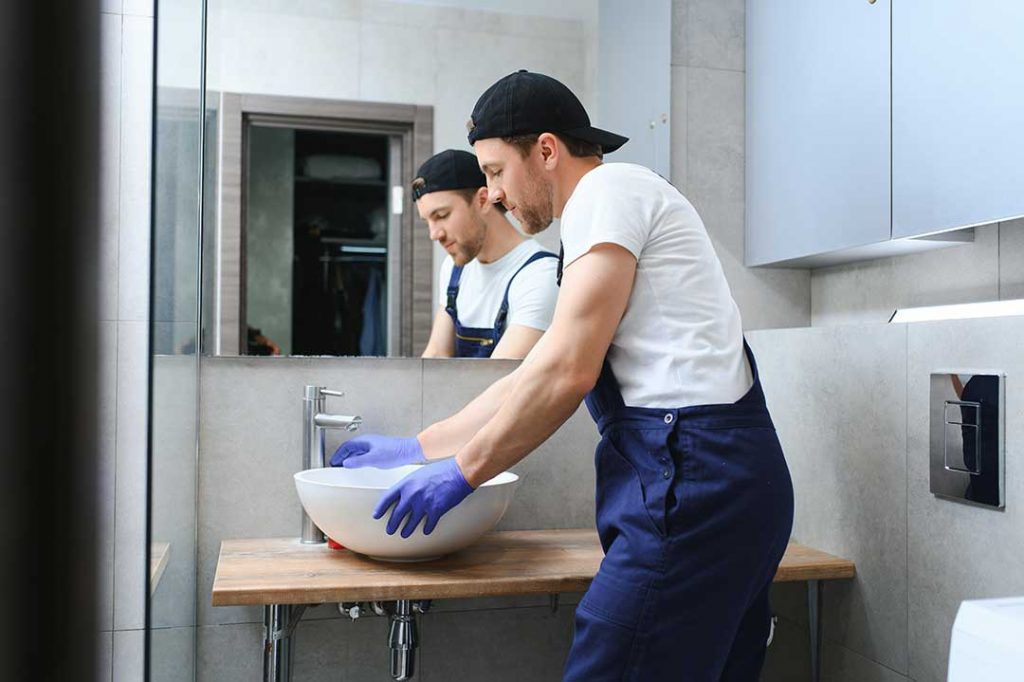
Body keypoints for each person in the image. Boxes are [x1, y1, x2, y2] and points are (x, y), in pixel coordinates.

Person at [333, 70, 795, 680]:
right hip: (717, 480)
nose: (492, 194)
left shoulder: (608, 193)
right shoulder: (606, 212)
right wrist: (420, 447)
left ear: (546, 151)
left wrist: (465, 473)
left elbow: (567, 373)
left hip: (693, 481)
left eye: (496, 172)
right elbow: (535, 373)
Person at [415, 149, 559, 359]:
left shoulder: (540, 276)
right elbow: (436, 355)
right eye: (427, 221)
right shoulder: (454, 270)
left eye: (442, 215)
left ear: (483, 200)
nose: (434, 234)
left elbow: (498, 381)